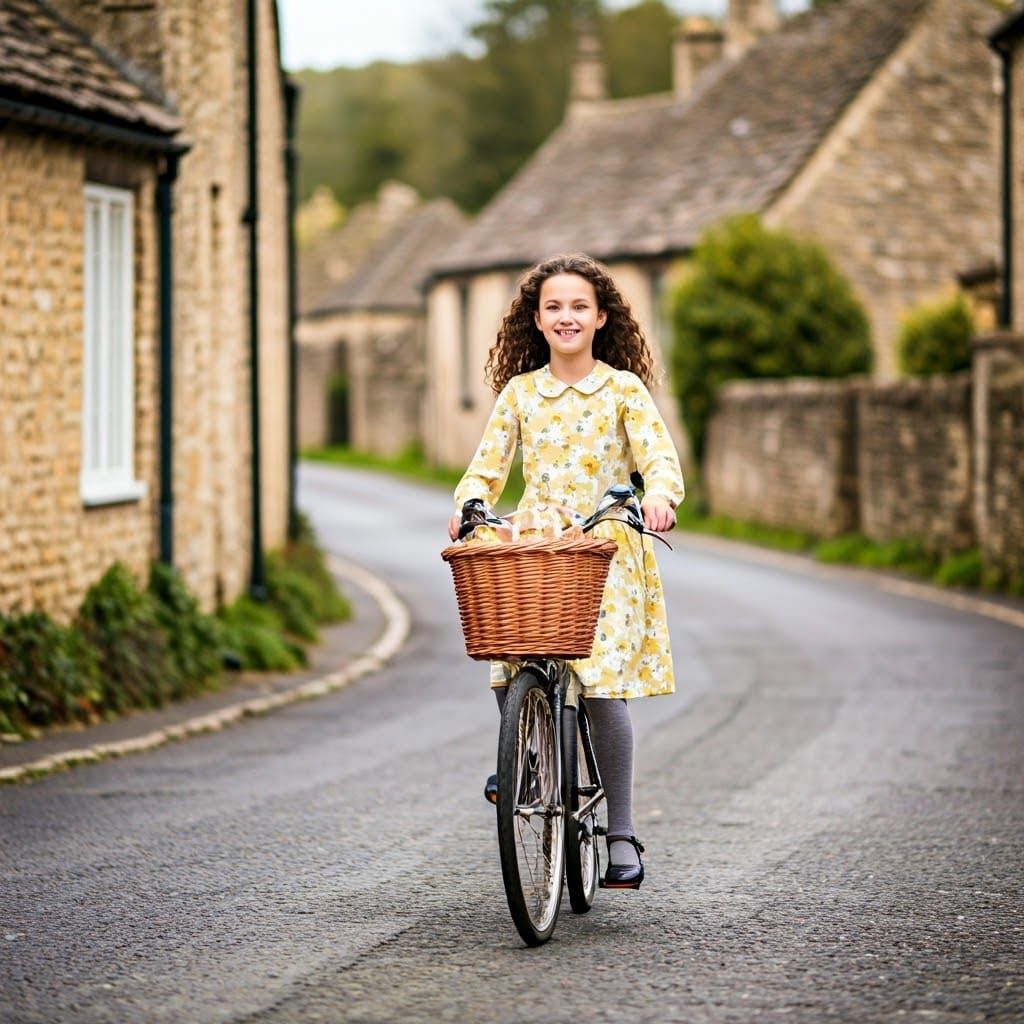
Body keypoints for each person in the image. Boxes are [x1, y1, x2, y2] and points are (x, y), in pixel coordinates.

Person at [447, 253, 684, 890]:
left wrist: (659, 496)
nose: (566, 316)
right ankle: (527, 757)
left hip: (606, 546)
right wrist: (469, 504)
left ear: (602, 317)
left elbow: (658, 458)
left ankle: (622, 833)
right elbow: (486, 466)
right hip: (542, 541)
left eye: (579, 305)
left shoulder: (623, 390)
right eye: (553, 306)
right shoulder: (521, 392)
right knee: (509, 651)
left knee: (602, 683)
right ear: (537, 319)